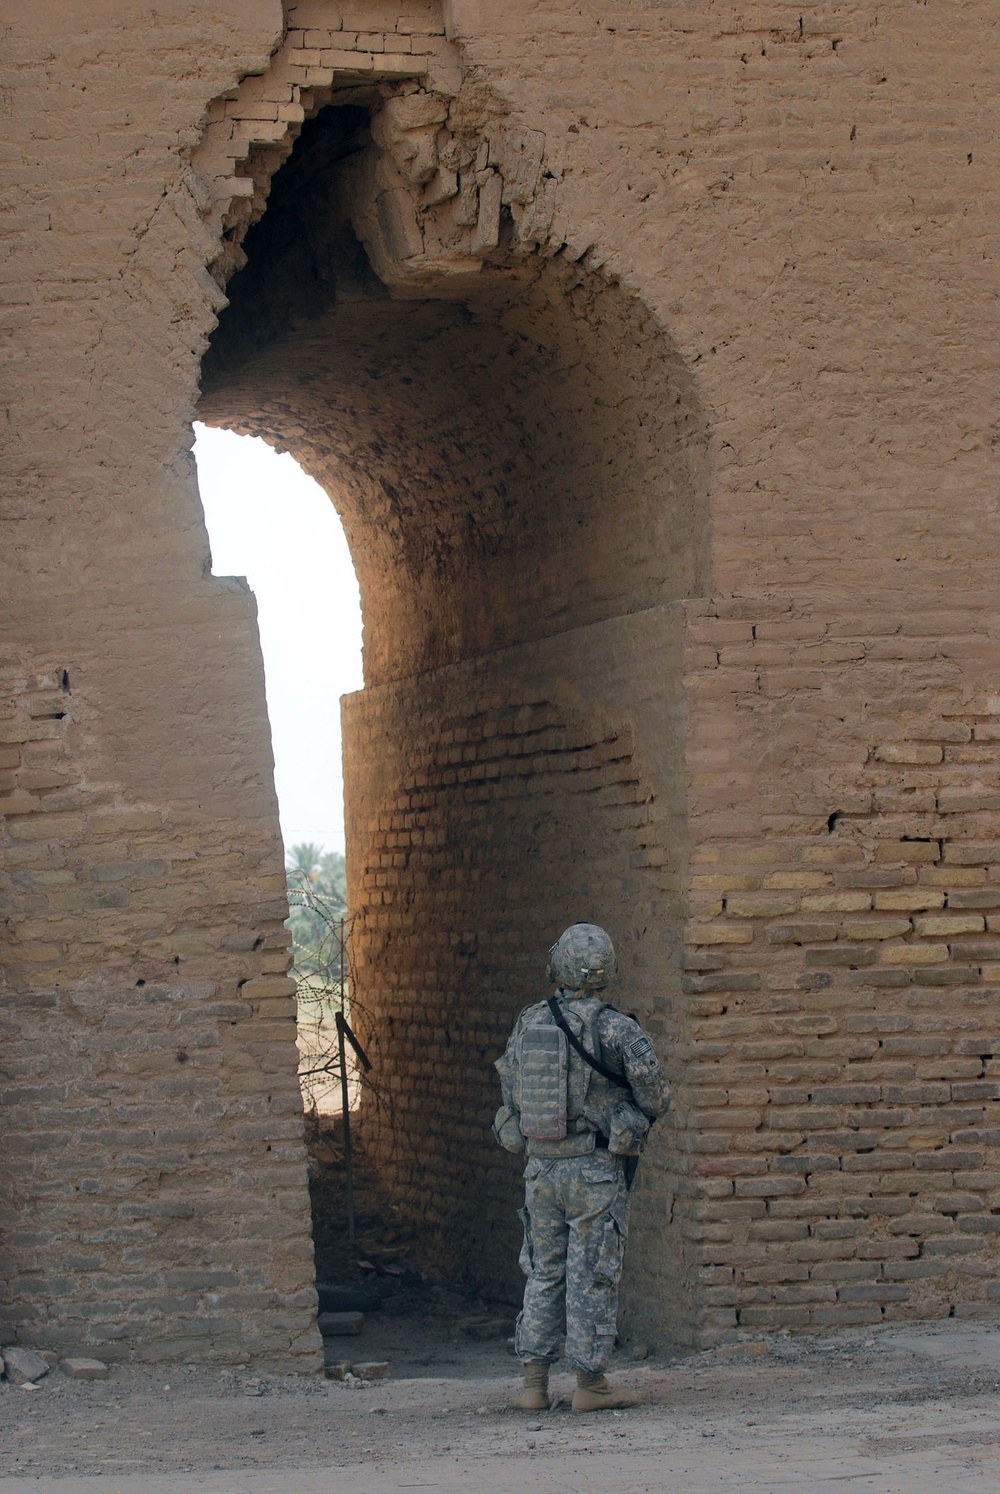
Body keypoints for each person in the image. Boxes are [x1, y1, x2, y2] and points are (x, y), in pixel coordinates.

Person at [493, 922, 670, 1413]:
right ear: (607, 970)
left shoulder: (530, 1022)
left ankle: (534, 1384)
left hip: (542, 1170)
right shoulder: (618, 1029)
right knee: (591, 1272)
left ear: (559, 967)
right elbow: (657, 1096)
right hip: (594, 1171)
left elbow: (511, 1094)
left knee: (544, 1271)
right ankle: (590, 1386)